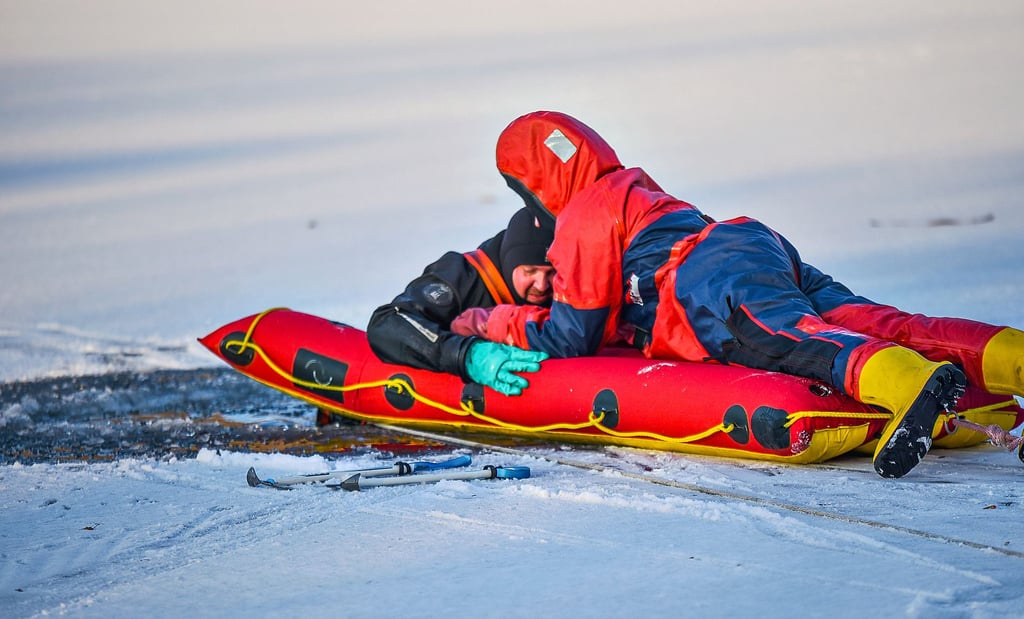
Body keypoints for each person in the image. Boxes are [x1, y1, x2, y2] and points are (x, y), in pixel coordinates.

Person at [455, 110, 1024, 478]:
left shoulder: (584, 212)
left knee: (791, 339)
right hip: (753, 244)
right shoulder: (634, 187)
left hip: (706, 276)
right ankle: (1013, 361)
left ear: (534, 182)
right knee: (886, 320)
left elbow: (572, 332)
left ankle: (907, 383)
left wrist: (491, 323)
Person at [366, 207, 554, 396]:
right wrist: (467, 354)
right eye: (530, 271)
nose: (542, 285)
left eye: (551, 272)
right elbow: (387, 322)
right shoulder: (462, 277)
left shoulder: (567, 285)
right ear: (510, 262)